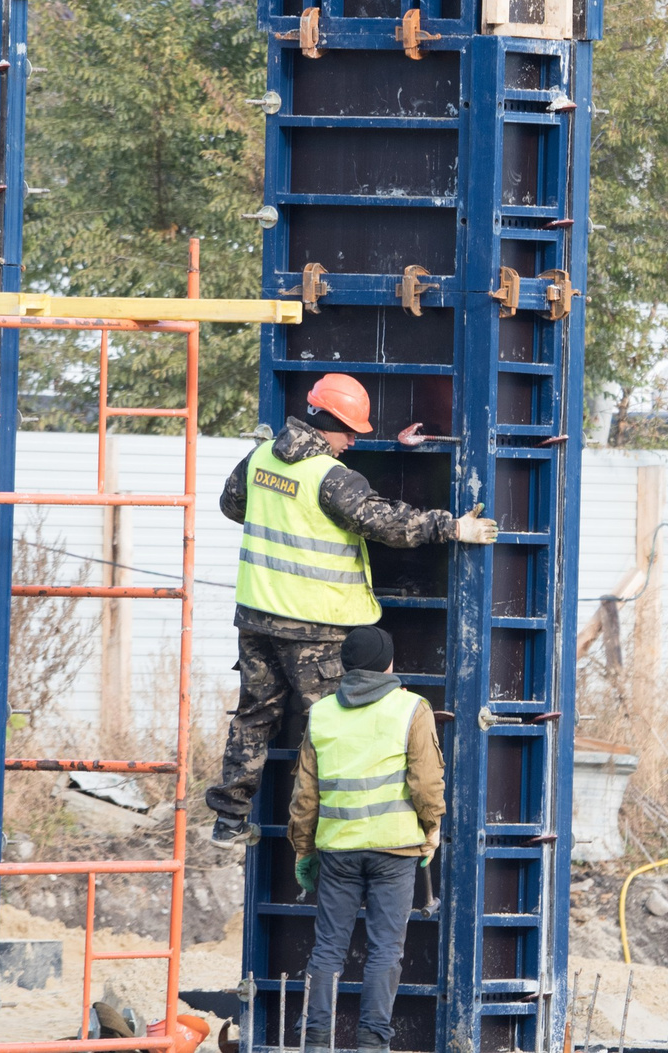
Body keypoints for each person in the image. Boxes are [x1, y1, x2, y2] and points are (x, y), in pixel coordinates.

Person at [206, 373, 495, 845]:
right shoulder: (330, 477)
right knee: (334, 725)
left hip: (256, 617)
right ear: (329, 422)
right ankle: (338, 829)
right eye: (351, 431)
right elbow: (389, 524)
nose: (353, 441)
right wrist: (452, 527)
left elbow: (232, 506)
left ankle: (229, 819)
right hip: (314, 625)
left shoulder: (259, 457)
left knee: (254, 715)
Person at [288, 622, 441, 1053]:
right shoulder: (412, 708)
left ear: (346, 664)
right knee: (384, 952)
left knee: (328, 950)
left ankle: (315, 1040)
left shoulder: (321, 713)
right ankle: (372, 1043)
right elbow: (426, 783)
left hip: (337, 851)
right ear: (389, 663)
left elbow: (305, 793)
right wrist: (431, 829)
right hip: (395, 851)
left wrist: (303, 849)